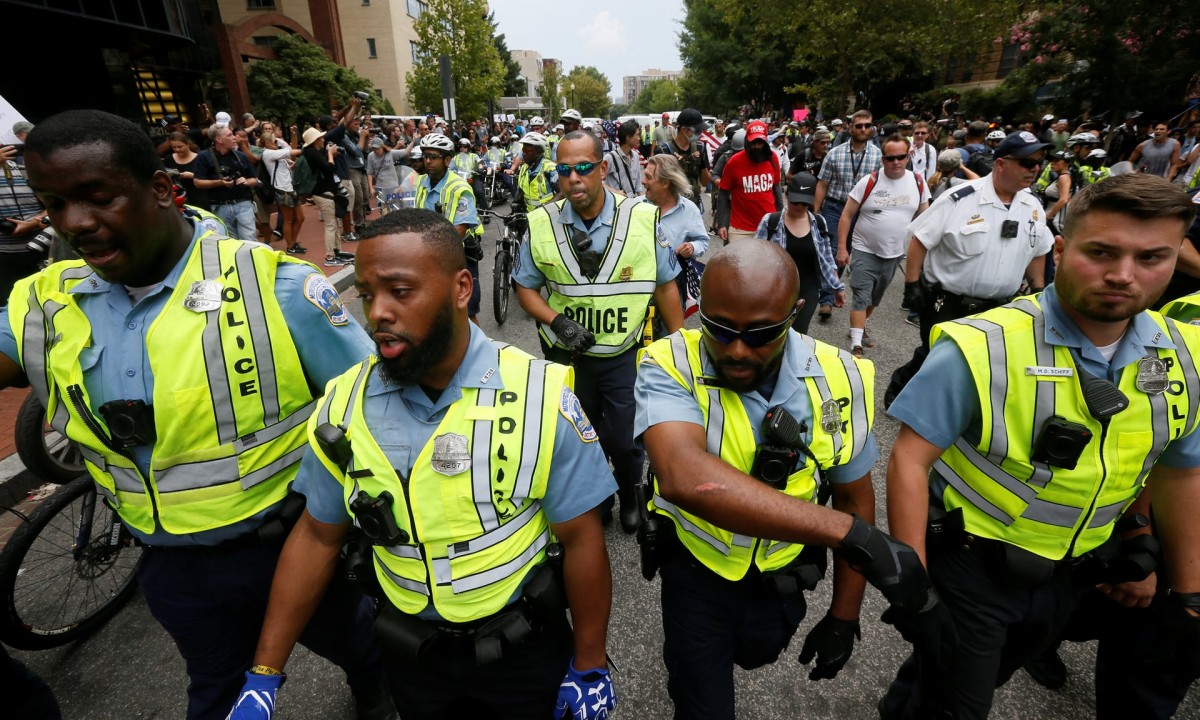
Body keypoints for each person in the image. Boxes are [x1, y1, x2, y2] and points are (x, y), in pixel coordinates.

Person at [3, 109, 393, 720]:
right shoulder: (43, 301)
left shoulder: (276, 287)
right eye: (54, 205)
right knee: (216, 689)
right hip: (168, 564)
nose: (76, 223)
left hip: (290, 546)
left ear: (160, 189)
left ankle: (374, 687)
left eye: (97, 198)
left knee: (358, 644)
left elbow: (378, 406)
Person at [228, 208, 618, 720]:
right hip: (411, 658)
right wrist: (264, 675)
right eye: (366, 295)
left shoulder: (540, 395)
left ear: (461, 288)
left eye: (400, 291)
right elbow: (317, 536)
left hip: (525, 652)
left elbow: (582, 539)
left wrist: (589, 664)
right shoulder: (342, 405)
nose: (377, 314)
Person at [878, 172, 1200, 720]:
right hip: (972, 565)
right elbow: (909, 459)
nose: (1123, 276)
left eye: (1152, 258)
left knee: (969, 673)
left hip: (1076, 570)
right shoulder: (981, 344)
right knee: (960, 706)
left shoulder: (1185, 354)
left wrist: (1187, 593)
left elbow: (1178, 469)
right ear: (1060, 247)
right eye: (1101, 252)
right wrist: (914, 583)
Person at [635, 239, 947, 720]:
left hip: (782, 579)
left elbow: (852, 496)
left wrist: (844, 616)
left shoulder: (844, 377)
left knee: (759, 650)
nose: (737, 350)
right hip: (697, 573)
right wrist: (849, 536)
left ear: (795, 313)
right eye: (718, 328)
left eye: (761, 333)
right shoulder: (668, 363)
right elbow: (681, 475)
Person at [514, 131, 684, 534]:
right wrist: (557, 321)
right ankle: (599, 498)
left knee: (626, 440)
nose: (574, 178)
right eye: (565, 170)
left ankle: (629, 493)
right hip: (568, 357)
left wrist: (679, 346)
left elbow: (665, 285)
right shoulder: (540, 224)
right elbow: (524, 286)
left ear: (602, 168)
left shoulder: (642, 218)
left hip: (625, 353)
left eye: (584, 169)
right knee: (578, 437)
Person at [837, 135, 930, 358]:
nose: (896, 162)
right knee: (861, 294)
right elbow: (846, 215)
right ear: (883, 158)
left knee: (874, 298)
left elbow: (926, 217)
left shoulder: (918, 181)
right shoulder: (869, 181)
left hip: (894, 253)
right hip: (864, 249)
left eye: (900, 157)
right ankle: (856, 345)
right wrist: (842, 247)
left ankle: (859, 327)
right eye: (890, 158)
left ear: (908, 156)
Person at [754, 173, 844, 334]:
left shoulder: (819, 223)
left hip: (807, 289)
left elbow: (827, 260)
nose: (800, 206)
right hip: (775, 288)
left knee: (798, 335)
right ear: (787, 195)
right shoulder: (771, 222)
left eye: (805, 203)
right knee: (771, 333)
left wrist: (837, 287)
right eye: (796, 201)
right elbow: (755, 257)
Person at [814, 109, 882, 322]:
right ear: (850, 127)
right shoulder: (835, 153)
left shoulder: (878, 156)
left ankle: (833, 287)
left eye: (867, 125)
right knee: (834, 250)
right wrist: (815, 213)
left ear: (871, 129)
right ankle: (826, 300)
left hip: (863, 211)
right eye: (859, 125)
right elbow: (822, 184)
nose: (863, 129)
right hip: (835, 208)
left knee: (847, 255)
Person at [414, 133, 483, 324]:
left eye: (433, 157)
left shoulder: (459, 187)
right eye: (425, 156)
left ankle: (479, 351)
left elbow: (461, 228)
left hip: (459, 254)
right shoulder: (421, 183)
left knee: (466, 311)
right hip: (428, 254)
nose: (427, 161)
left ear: (446, 160)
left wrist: (437, 250)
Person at [644, 154, 708, 313]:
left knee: (671, 335)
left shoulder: (689, 209)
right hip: (641, 285)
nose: (642, 182)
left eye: (648, 177)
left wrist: (691, 247)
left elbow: (703, 242)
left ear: (665, 182)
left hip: (673, 287)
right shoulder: (637, 206)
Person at [716, 120, 783, 243]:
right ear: (747, 140)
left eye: (760, 143)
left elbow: (777, 189)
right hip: (741, 229)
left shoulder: (772, 158)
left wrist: (782, 218)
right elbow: (723, 193)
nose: (756, 146)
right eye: (753, 143)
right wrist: (721, 224)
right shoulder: (734, 162)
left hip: (769, 226)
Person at [0, 142, 50, 305]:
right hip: (4, 254)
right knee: (11, 304)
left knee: (46, 298)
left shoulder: (27, 167)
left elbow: (54, 203)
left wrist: (33, 223)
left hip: (42, 248)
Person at [193, 124, 259, 242]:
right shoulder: (204, 156)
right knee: (230, 242)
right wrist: (220, 182)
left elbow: (254, 179)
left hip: (243, 203)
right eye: (230, 135)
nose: (235, 137)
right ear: (218, 139)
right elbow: (197, 182)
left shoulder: (241, 156)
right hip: (220, 206)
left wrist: (246, 181)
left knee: (249, 241)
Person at [301, 127, 353, 267]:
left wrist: (329, 154)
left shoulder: (313, 152)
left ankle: (337, 251)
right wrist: (331, 154)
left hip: (325, 193)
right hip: (322, 193)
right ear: (315, 141)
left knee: (335, 224)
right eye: (320, 138)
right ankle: (330, 257)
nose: (323, 140)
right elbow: (330, 169)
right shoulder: (312, 152)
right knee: (330, 225)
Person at [259, 126, 306, 255]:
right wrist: (305, 148)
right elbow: (290, 151)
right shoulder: (267, 153)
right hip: (281, 190)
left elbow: (289, 151)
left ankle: (293, 242)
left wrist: (293, 135)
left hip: (290, 188)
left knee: (300, 218)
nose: (276, 143)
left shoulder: (277, 153)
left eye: (276, 141)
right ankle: (290, 246)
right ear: (267, 143)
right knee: (288, 220)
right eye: (274, 141)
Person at [654, 108, 712, 213]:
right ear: (684, 130)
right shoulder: (663, 151)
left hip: (694, 207)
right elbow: (656, 184)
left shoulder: (700, 147)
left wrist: (702, 161)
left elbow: (705, 182)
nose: (700, 133)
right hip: (670, 209)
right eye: (697, 131)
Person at [513, 132, 560, 213]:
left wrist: (544, 207)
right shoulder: (524, 168)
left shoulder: (550, 168)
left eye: (527, 150)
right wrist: (515, 205)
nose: (524, 154)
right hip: (530, 215)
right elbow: (520, 190)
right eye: (523, 150)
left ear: (537, 152)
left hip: (549, 215)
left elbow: (563, 193)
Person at [163, 131, 210, 211]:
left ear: (187, 144)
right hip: (179, 199)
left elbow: (210, 177)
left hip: (199, 198)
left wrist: (192, 175)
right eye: (174, 147)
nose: (177, 150)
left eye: (180, 147)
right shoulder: (169, 159)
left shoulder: (199, 158)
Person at [604, 119, 645, 198]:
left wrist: (641, 201)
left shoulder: (635, 156)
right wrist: (615, 192)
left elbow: (637, 185)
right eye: (637, 135)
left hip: (632, 202)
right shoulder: (609, 158)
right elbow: (598, 182)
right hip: (616, 204)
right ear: (628, 137)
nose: (639, 138)